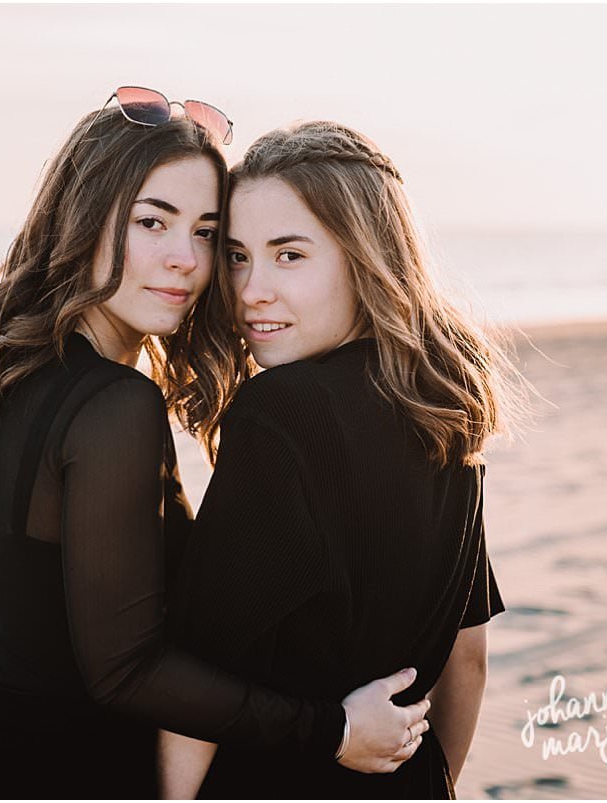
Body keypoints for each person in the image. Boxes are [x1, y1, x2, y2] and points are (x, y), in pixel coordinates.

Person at [0, 91, 429, 799]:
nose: (185, 259)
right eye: (154, 221)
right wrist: (330, 729)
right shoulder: (114, 404)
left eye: (207, 233)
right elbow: (125, 670)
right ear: (83, 216)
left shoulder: (15, 376)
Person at [158, 121, 521, 799]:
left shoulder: (281, 412)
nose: (251, 290)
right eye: (237, 256)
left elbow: (197, 680)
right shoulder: (443, 399)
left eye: (289, 256)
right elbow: (466, 663)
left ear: (366, 256)